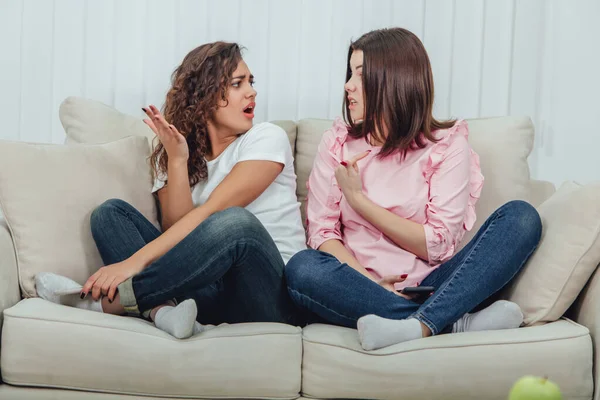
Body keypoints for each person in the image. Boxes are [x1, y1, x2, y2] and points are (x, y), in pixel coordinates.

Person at [284, 28, 542, 350]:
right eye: (349, 74)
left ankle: (417, 322)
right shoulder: (336, 143)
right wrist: (372, 285)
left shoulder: (447, 147)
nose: (348, 86)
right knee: (302, 268)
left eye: (360, 75)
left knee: (522, 217)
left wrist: (358, 200)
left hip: (434, 286)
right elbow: (323, 234)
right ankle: (450, 323)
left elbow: (435, 245)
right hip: (360, 285)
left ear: (394, 80)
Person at [35, 41, 306, 339]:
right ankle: (164, 312)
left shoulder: (267, 138)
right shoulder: (176, 154)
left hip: (270, 296)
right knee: (109, 214)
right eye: (237, 83)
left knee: (236, 223)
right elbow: (180, 239)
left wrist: (132, 263)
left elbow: (210, 213)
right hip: (208, 297)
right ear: (204, 94)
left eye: (250, 82)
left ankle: (105, 305)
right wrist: (177, 161)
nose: (251, 91)